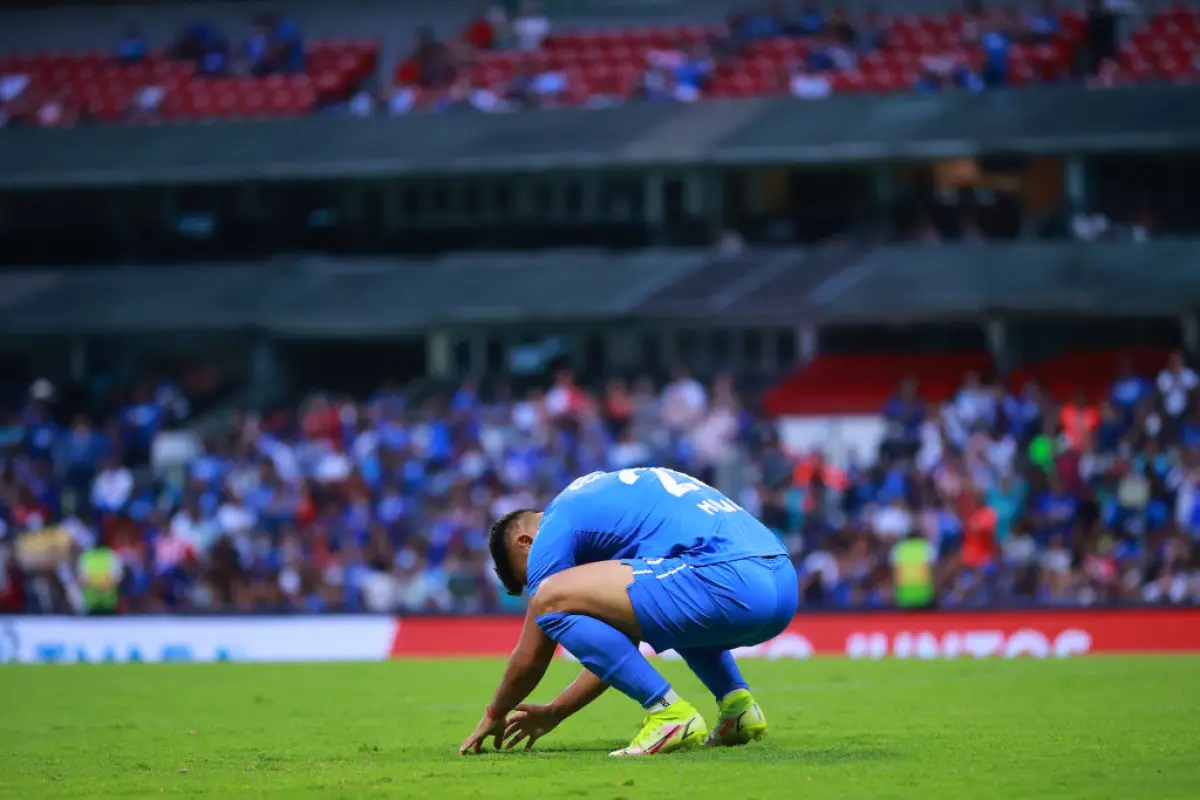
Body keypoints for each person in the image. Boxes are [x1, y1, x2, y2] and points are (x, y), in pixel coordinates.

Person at [458, 467, 796, 757]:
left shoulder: (552, 527)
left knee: (549, 598)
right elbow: (620, 646)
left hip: (726, 579)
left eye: (528, 574)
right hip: (781, 580)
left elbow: (532, 654)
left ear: (525, 543)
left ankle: (668, 714)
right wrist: (554, 713)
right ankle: (737, 707)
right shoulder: (600, 498)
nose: (536, 580)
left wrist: (495, 711)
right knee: (674, 604)